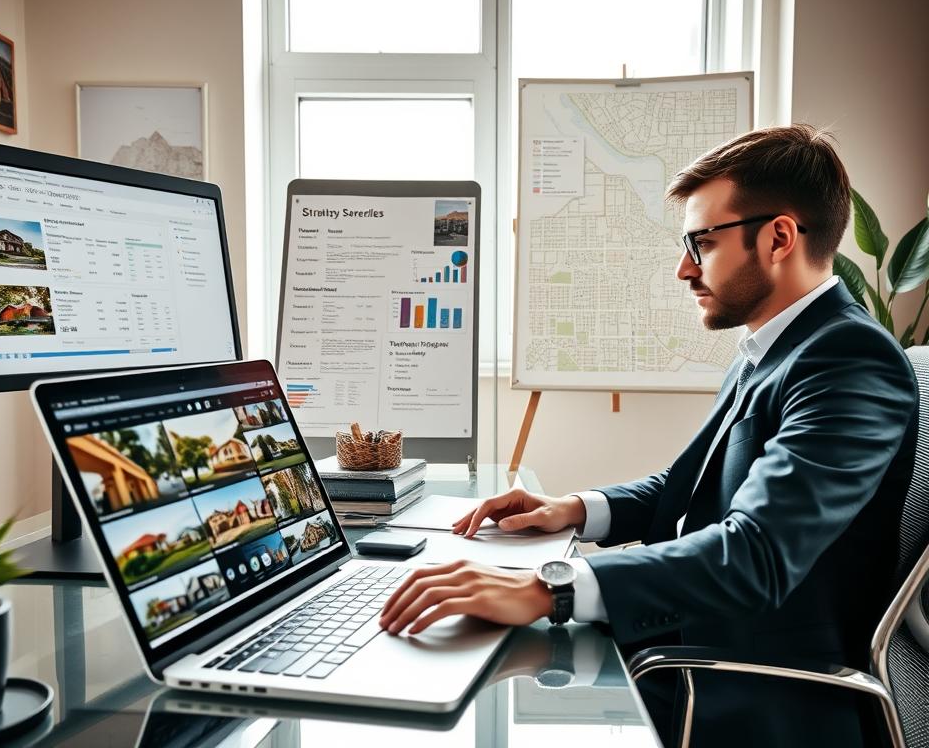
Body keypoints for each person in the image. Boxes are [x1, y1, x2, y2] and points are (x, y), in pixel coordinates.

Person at [379, 125, 919, 747]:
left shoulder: (850, 359)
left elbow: (757, 555)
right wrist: (577, 510)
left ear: (778, 238)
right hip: (687, 651)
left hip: (748, 696)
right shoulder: (778, 346)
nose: (684, 267)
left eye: (702, 242)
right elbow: (691, 490)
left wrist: (548, 588)